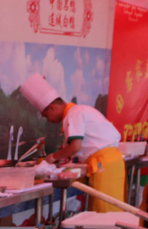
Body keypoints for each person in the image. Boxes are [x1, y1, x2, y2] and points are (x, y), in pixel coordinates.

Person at [21, 74, 125, 213]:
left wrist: (53, 157)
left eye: (46, 116)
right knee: (106, 212)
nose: (48, 120)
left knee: (106, 214)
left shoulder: (74, 113)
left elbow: (75, 146)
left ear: (52, 108)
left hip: (105, 166)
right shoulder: (79, 110)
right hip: (109, 163)